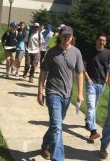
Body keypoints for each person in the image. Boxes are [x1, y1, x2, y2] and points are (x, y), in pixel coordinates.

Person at [37, 25, 84, 160]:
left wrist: (80, 93)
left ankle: (45, 145)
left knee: (55, 125)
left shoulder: (76, 53)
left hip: (67, 95)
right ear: (60, 36)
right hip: (53, 92)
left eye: (68, 35)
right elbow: (43, 73)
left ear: (72, 37)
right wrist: (40, 91)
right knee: (57, 126)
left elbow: (79, 73)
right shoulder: (52, 52)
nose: (66, 37)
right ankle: (57, 158)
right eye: (64, 35)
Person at [83, 32, 110, 140]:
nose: (102, 42)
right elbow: (83, 66)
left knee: (94, 106)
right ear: (96, 40)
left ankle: (87, 121)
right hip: (91, 83)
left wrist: (106, 79)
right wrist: (88, 79)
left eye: (104, 40)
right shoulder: (88, 51)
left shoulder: (108, 53)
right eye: (100, 40)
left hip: (102, 84)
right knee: (91, 106)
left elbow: (109, 68)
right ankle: (93, 131)